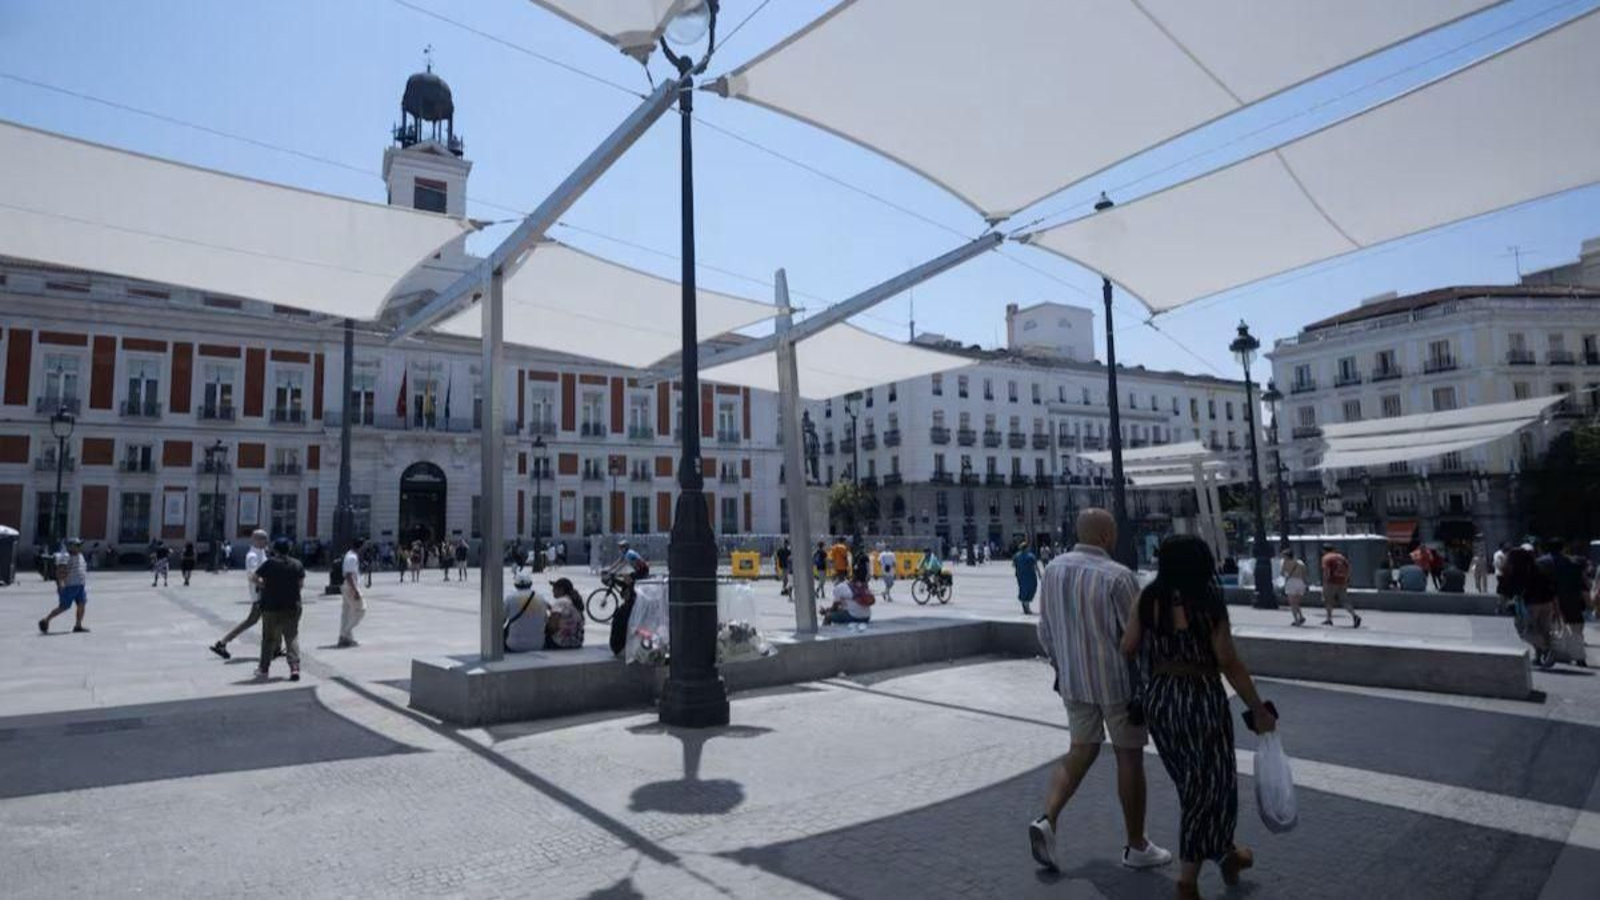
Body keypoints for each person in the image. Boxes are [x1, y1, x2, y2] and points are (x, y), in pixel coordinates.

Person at [1121, 533, 1275, 899]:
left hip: (1161, 700)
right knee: (1208, 787)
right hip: (1200, 698)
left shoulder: (1147, 598)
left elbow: (1127, 646)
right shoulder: (1208, 600)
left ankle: (1227, 854)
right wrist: (1257, 707)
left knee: (1195, 785)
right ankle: (1187, 880)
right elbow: (1228, 661)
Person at [1029, 509, 1172, 875]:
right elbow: (1136, 635)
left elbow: (1044, 629)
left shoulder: (1055, 570)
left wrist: (1060, 665)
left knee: (1080, 749)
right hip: (1117, 684)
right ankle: (1137, 845)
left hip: (1074, 680)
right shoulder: (1119, 577)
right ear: (1108, 535)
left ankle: (1048, 818)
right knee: (1129, 756)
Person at [211, 530, 271, 659]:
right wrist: (267, 587)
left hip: (264, 594)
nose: (266, 541)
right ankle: (222, 643)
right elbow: (253, 576)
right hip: (260, 595)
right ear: (255, 540)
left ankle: (222, 643)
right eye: (263, 538)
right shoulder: (252, 556)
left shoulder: (262, 552)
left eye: (266, 538)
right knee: (257, 621)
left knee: (262, 621)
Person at [253, 538, 304, 682]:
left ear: (275, 549)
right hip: (292, 606)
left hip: (271, 607)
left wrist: (264, 585)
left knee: (268, 638)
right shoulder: (297, 564)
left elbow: (254, 577)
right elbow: (300, 584)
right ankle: (294, 667)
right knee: (291, 637)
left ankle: (264, 668)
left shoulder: (270, 563)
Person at [38, 537, 90, 634]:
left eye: (79, 545)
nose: (79, 547)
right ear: (71, 547)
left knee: (82, 604)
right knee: (64, 607)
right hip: (70, 586)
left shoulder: (80, 555)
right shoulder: (66, 557)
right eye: (77, 545)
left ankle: (78, 625)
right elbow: (60, 572)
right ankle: (46, 620)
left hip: (80, 585)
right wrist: (60, 584)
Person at [503, 573, 548, 653]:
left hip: (514, 645)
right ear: (531, 584)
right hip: (539, 644)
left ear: (515, 585)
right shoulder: (541, 598)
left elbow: (501, 620)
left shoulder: (510, 599)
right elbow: (546, 620)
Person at [1319, 545, 1361, 628]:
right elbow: (1348, 568)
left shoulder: (1326, 558)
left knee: (1328, 601)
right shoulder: (1341, 557)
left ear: (1324, 551)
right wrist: (1346, 579)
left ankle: (1329, 619)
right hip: (1342, 581)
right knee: (1344, 600)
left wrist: (1325, 583)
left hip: (1331, 582)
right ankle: (1354, 615)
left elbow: (1326, 571)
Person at [338, 538, 365, 648]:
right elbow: (348, 575)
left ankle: (345, 638)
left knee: (347, 613)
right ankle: (345, 634)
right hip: (350, 587)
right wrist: (356, 590)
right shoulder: (352, 557)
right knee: (361, 610)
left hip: (348, 586)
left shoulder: (349, 555)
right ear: (361, 546)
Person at [545, 578, 587, 649]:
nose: (552, 590)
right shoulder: (575, 601)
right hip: (576, 643)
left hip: (559, 643)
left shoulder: (559, 602)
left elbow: (553, 627)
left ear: (561, 590)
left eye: (555, 588)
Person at [1280, 548, 1309, 627]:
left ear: (1286, 556)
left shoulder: (1285, 562)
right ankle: (1301, 616)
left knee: (1292, 604)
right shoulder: (1300, 562)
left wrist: (1287, 574)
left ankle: (1296, 620)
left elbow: (1282, 573)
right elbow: (1305, 574)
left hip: (1291, 582)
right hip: (1300, 582)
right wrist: (1306, 584)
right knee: (1296, 602)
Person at [1014, 540, 1041, 615]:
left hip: (1021, 576)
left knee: (1023, 590)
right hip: (1030, 576)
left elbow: (1014, 565)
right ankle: (1027, 607)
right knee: (1030, 589)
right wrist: (1039, 574)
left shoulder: (1017, 556)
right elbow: (1035, 566)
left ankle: (1025, 605)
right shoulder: (1031, 556)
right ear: (1026, 548)